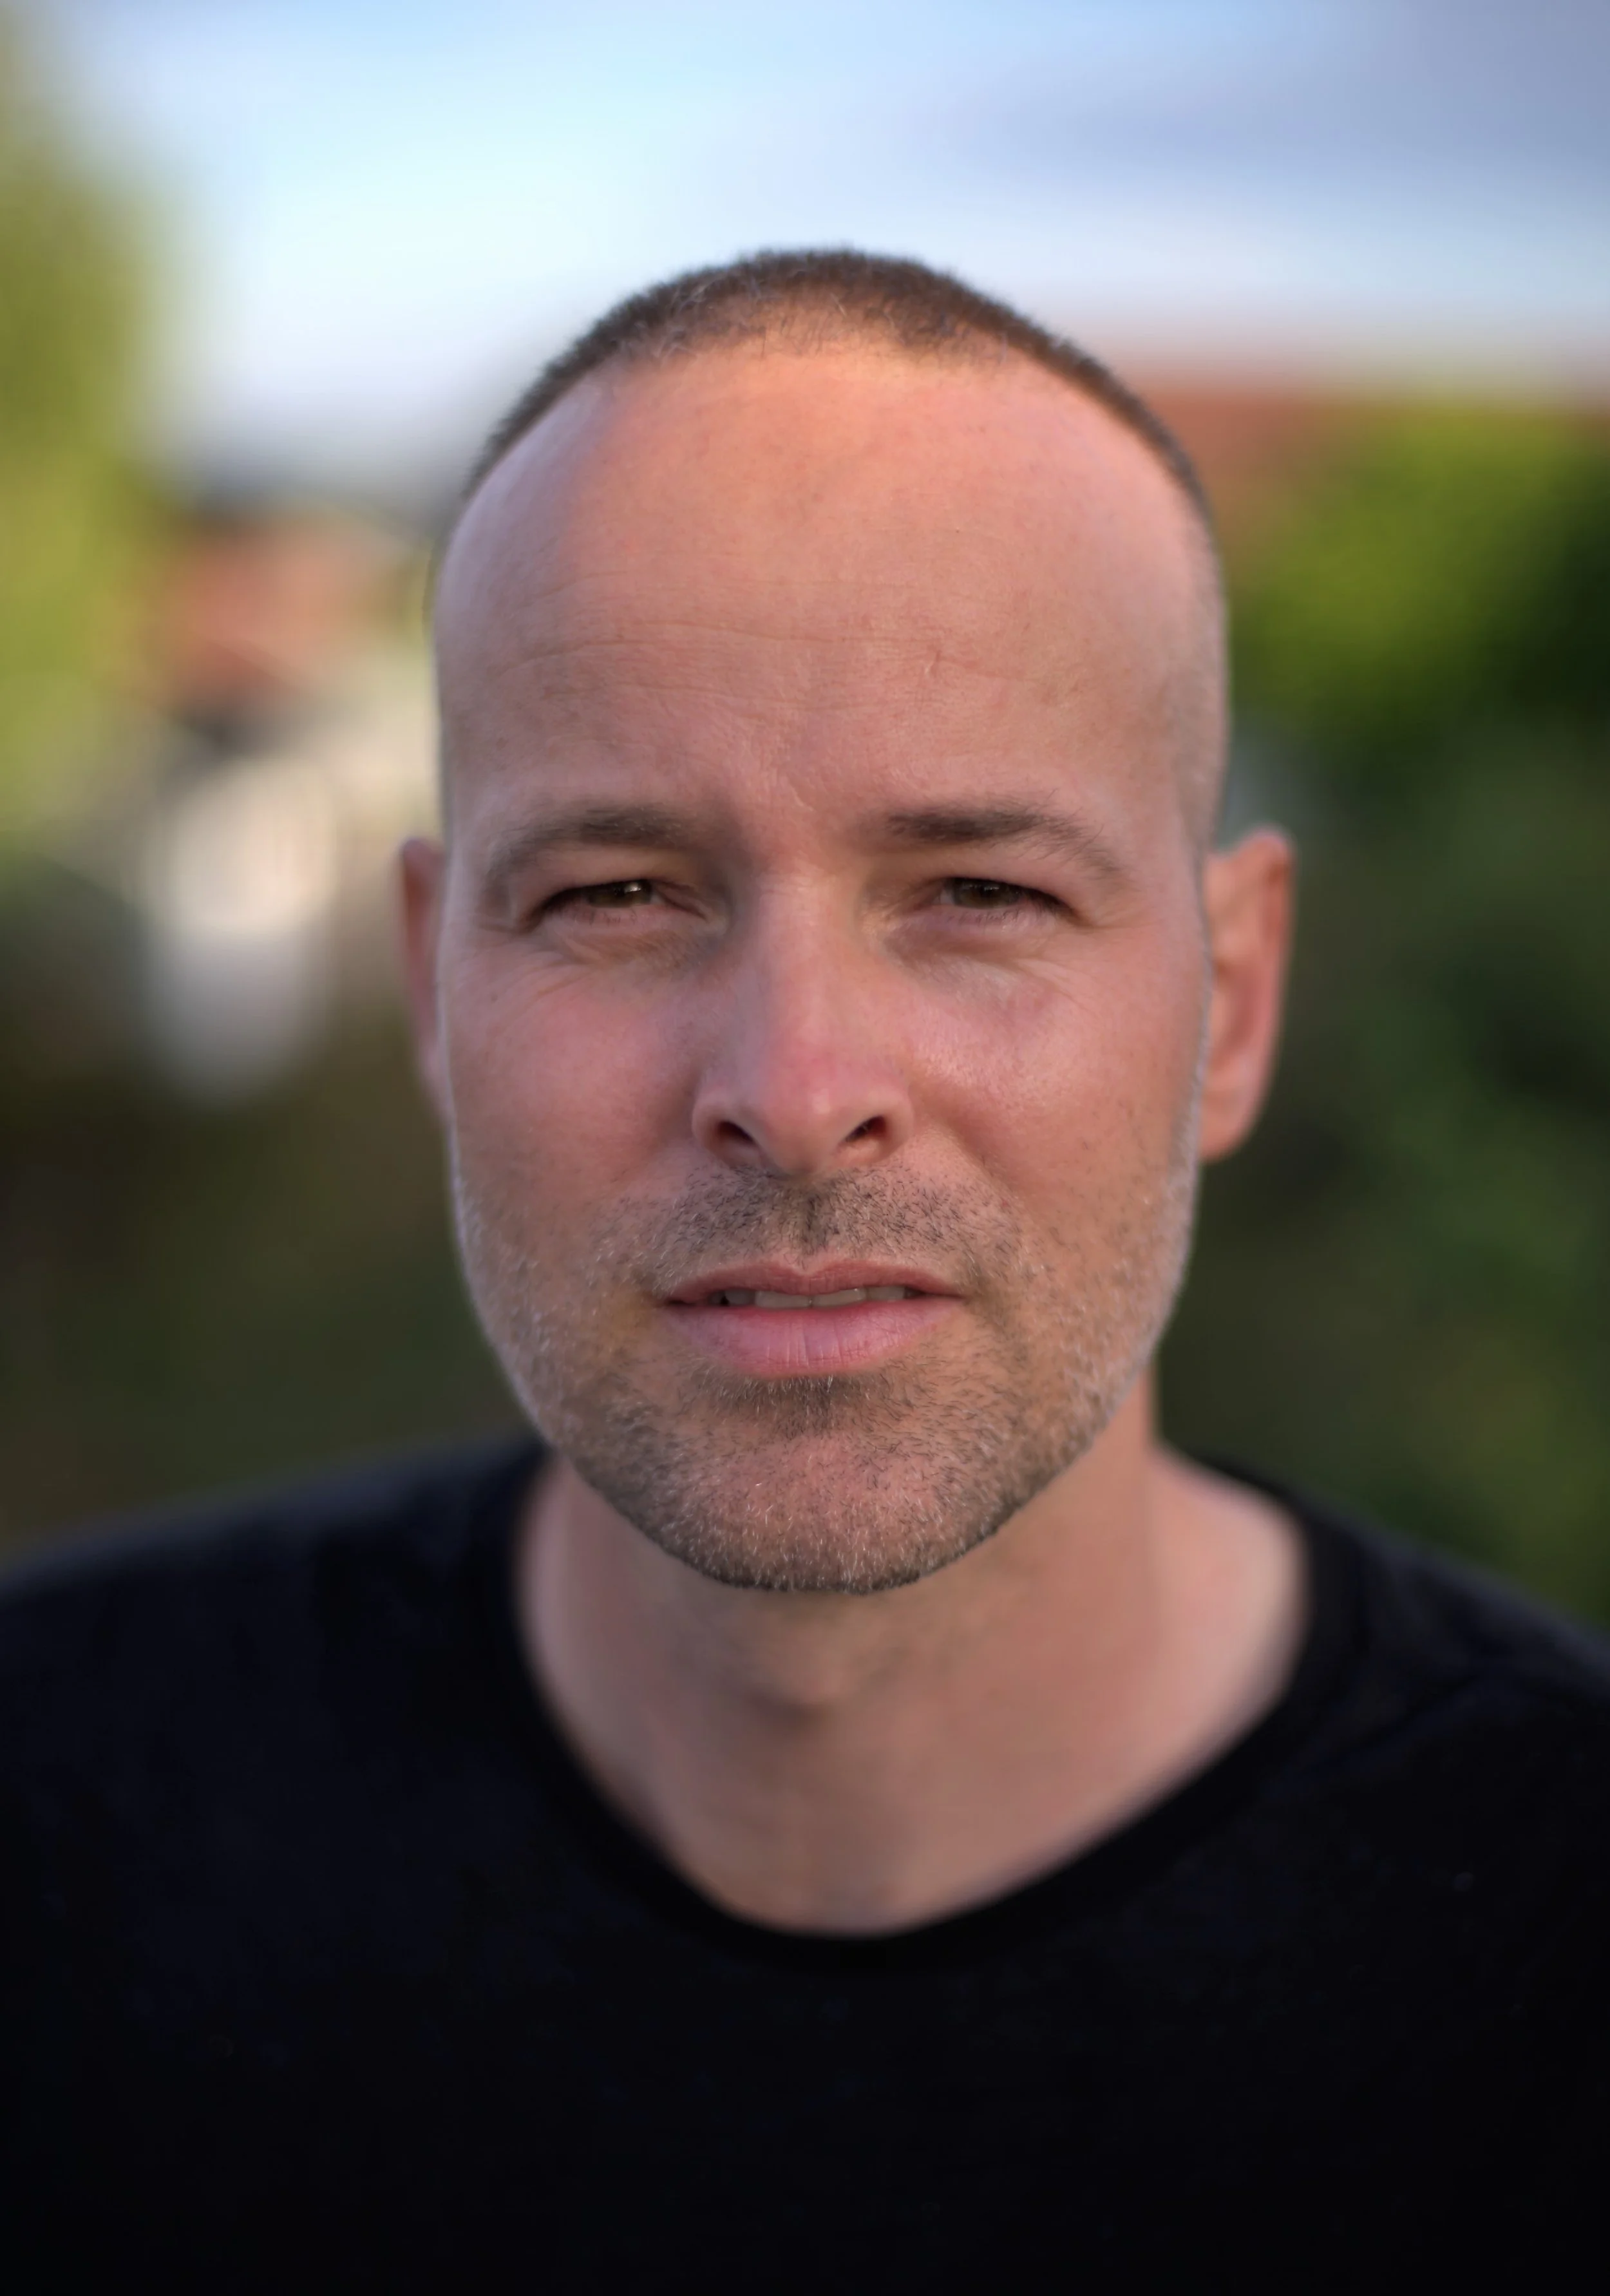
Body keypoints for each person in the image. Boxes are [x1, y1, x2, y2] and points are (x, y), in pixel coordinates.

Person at [3, 250, 1606, 2293]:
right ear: (431, 991)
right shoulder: (48, 1820)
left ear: (1232, 1001)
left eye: (977, 892)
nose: (790, 1086)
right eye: (618, 892)